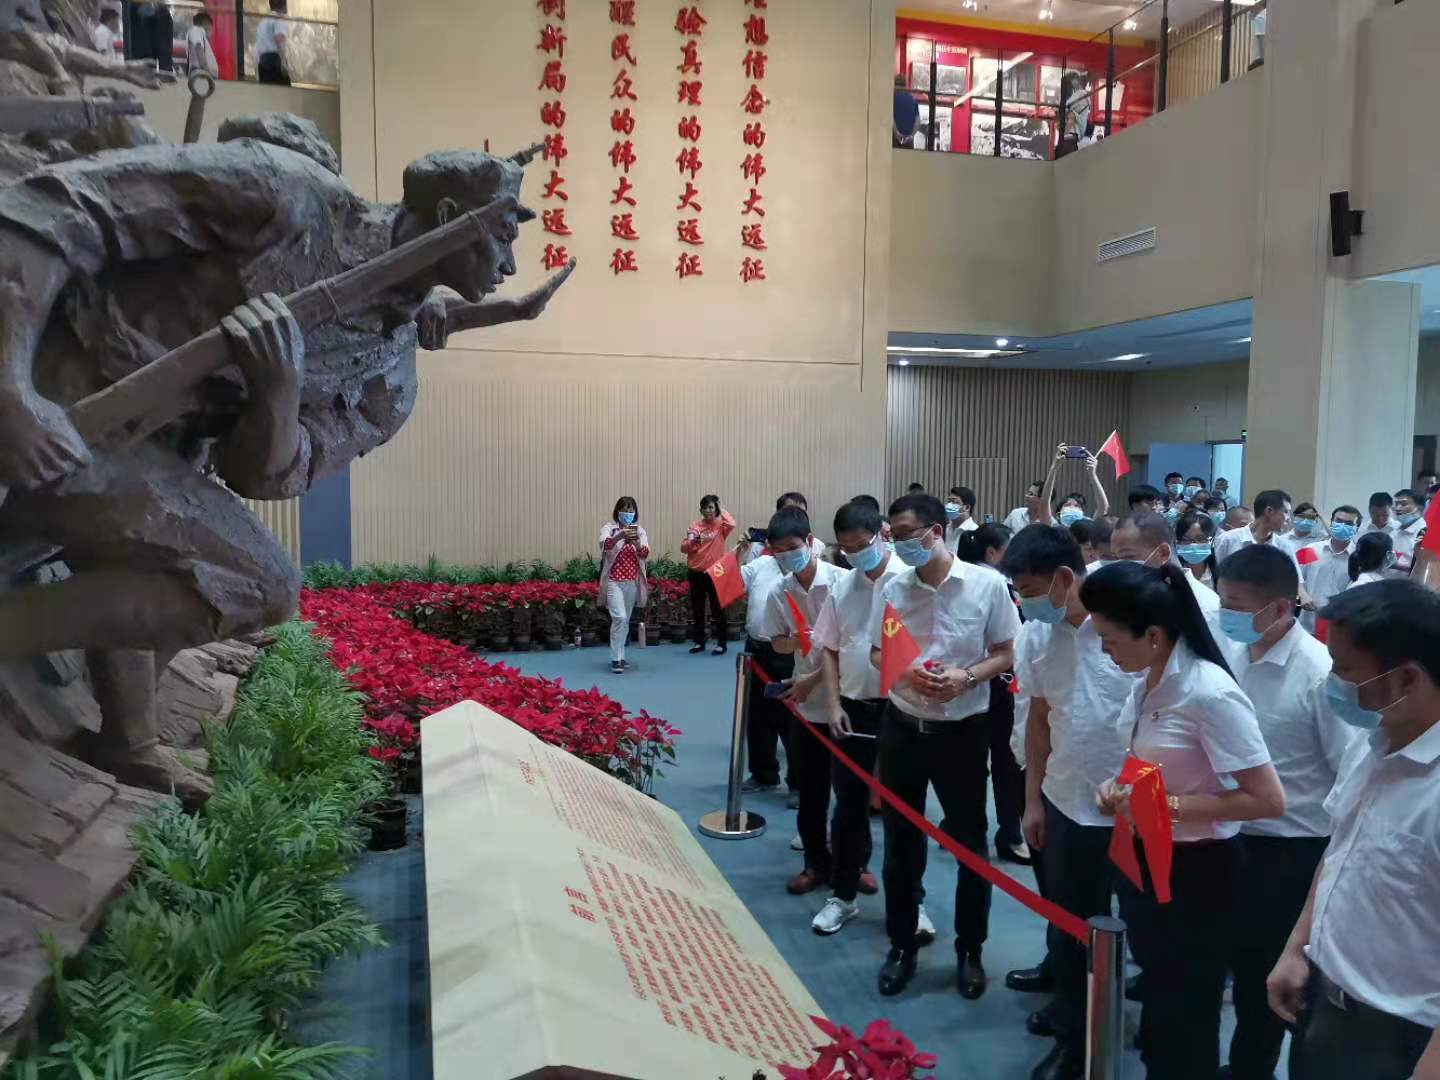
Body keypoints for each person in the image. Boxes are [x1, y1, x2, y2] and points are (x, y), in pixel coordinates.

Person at [0, 142, 565, 802]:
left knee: (241, 574)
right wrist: (13, 393)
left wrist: (277, 390)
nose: (509, 265)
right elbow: (50, 205)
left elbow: (267, 477)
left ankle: (126, 738)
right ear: (448, 215)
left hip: (140, 460)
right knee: (251, 578)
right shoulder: (289, 197)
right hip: (58, 403)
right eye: (503, 235)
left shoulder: (389, 377)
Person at [1084, 562, 1285, 1080]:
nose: (1104, 651)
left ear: (1152, 635)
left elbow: (1267, 799)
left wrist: (1168, 806)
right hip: (1148, 855)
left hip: (1199, 872)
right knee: (1161, 994)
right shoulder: (1149, 678)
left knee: (1189, 1010)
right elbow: (1155, 761)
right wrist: (1119, 789)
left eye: (1109, 640)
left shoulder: (1208, 693)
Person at [1266, 581, 1440, 1080]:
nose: (1332, 684)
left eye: (1344, 671)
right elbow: (1341, 849)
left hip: (1401, 1035)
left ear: (1407, 678)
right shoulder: (1370, 743)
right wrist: (1297, 946)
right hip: (1326, 999)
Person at [869, 493, 1021, 1000]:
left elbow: (1007, 651)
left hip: (962, 731)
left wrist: (967, 677)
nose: (901, 545)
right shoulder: (892, 585)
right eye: (894, 536)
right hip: (903, 726)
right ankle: (901, 945)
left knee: (970, 843)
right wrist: (906, 672)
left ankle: (970, 950)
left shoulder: (986, 585)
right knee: (900, 845)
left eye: (908, 534)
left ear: (937, 531)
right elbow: (878, 651)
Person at [1215, 546, 1358, 1080]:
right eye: (1223, 602)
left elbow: (1348, 776)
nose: (1226, 615)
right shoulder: (1232, 652)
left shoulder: (1319, 674)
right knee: (1236, 961)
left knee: (1271, 977)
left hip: (1292, 850)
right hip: (1231, 833)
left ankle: (1252, 1069)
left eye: (1236, 606)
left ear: (1279, 608)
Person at [1001, 526, 1136, 1080]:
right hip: (1063, 800)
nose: (1025, 603)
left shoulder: (1128, 624)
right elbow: (1038, 721)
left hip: (1133, 810)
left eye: (1031, 590)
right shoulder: (1036, 635)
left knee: (1143, 927)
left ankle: (1134, 1025)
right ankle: (1075, 1036)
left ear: (1064, 578)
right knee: (1068, 926)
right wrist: (1032, 802)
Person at [809, 500, 904, 934]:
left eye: (862, 546)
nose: (855, 555)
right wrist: (832, 705)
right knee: (847, 809)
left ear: (881, 535)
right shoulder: (843, 586)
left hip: (903, 710)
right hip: (852, 709)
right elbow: (828, 648)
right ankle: (843, 896)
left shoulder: (909, 581)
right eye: (846, 549)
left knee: (904, 812)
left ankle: (911, 903)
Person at [764, 508, 849, 896]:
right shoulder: (779, 592)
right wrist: (800, 639)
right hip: (806, 703)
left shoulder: (843, 583)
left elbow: (855, 645)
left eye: (793, 547)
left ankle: (855, 865)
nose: (788, 555)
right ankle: (815, 864)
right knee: (811, 790)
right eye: (779, 551)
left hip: (848, 697)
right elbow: (777, 643)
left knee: (850, 792)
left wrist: (815, 675)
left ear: (810, 542)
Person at [959, 524, 1026, 866]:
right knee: (1003, 760)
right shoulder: (997, 584)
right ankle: (1009, 834)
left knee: (969, 760)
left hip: (965, 680)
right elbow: (1013, 641)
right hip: (995, 680)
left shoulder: (962, 579)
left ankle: (957, 826)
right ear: (992, 553)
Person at [1112, 512, 1222, 625]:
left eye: (1128, 556)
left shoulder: (1205, 607)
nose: (1115, 566)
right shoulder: (1118, 596)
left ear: (1163, 553)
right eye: (1113, 557)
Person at [597, 498, 650, 675]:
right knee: (619, 617)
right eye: (624, 510)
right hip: (614, 581)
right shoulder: (609, 528)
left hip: (631, 582)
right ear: (617, 511)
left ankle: (621, 656)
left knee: (625, 620)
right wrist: (620, 536)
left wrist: (635, 541)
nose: (627, 513)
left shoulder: (639, 531)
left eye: (631, 510)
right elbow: (605, 545)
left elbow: (645, 553)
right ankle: (615, 659)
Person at [681, 494, 735, 656]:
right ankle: (699, 642)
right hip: (695, 572)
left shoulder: (720, 526)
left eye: (711, 507)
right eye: (705, 508)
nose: (708, 510)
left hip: (715, 572)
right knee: (698, 609)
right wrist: (692, 542)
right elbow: (684, 548)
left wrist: (720, 506)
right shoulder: (695, 526)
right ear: (701, 510)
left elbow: (732, 523)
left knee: (718, 609)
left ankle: (721, 643)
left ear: (716, 509)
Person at [1298, 506, 1361, 634]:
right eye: (1339, 521)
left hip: (1340, 627)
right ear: (1331, 522)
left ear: (1357, 528)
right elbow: (1294, 575)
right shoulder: (1310, 549)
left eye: (1349, 524)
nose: (1342, 526)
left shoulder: (1360, 557)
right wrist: (1303, 594)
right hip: (1306, 624)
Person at [1214, 489, 1298, 569]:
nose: (1289, 519)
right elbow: (1216, 575)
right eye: (1286, 512)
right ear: (1269, 511)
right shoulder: (1228, 540)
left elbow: (1295, 578)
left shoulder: (1284, 547)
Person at [1040, 443, 1110, 528]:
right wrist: (1054, 467)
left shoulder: (1089, 530)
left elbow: (1103, 506)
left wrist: (1092, 474)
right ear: (1058, 515)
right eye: (1067, 505)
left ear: (1082, 514)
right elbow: (1044, 503)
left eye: (1077, 506)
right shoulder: (1052, 529)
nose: (1072, 508)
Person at [1175, 509, 1219, 590]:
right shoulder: (1168, 576)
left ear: (1212, 541)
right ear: (1178, 543)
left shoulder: (1221, 576)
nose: (1193, 545)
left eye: (1200, 539)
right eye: (1185, 540)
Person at [1387, 489, 1425, 577]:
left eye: (1404, 504)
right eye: (1396, 504)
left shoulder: (1424, 532)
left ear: (1419, 508)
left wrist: (1396, 564)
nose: (1397, 508)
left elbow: (1425, 566)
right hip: (1389, 581)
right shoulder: (1395, 530)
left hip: (1411, 583)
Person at [254, 0, 290, 85]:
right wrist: (283, 64)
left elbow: (256, 48)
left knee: (268, 91)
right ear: (284, 5)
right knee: (282, 90)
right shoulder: (279, 19)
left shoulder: (263, 22)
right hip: (274, 61)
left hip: (262, 62)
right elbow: (280, 40)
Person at [944, 485, 980, 553]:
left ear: (967, 507)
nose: (949, 505)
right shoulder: (944, 529)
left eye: (954, 502)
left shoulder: (975, 532)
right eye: (949, 501)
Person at [185, 10, 218, 77]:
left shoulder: (198, 33)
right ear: (206, 23)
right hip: (202, 75)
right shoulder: (196, 30)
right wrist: (207, 72)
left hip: (202, 74)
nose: (211, 30)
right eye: (210, 27)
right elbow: (198, 48)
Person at [893, 74, 919, 149]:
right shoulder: (912, 99)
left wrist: (897, 134)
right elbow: (917, 122)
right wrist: (911, 136)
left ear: (894, 84)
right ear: (905, 84)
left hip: (894, 139)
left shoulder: (892, 98)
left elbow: (890, 118)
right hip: (908, 140)